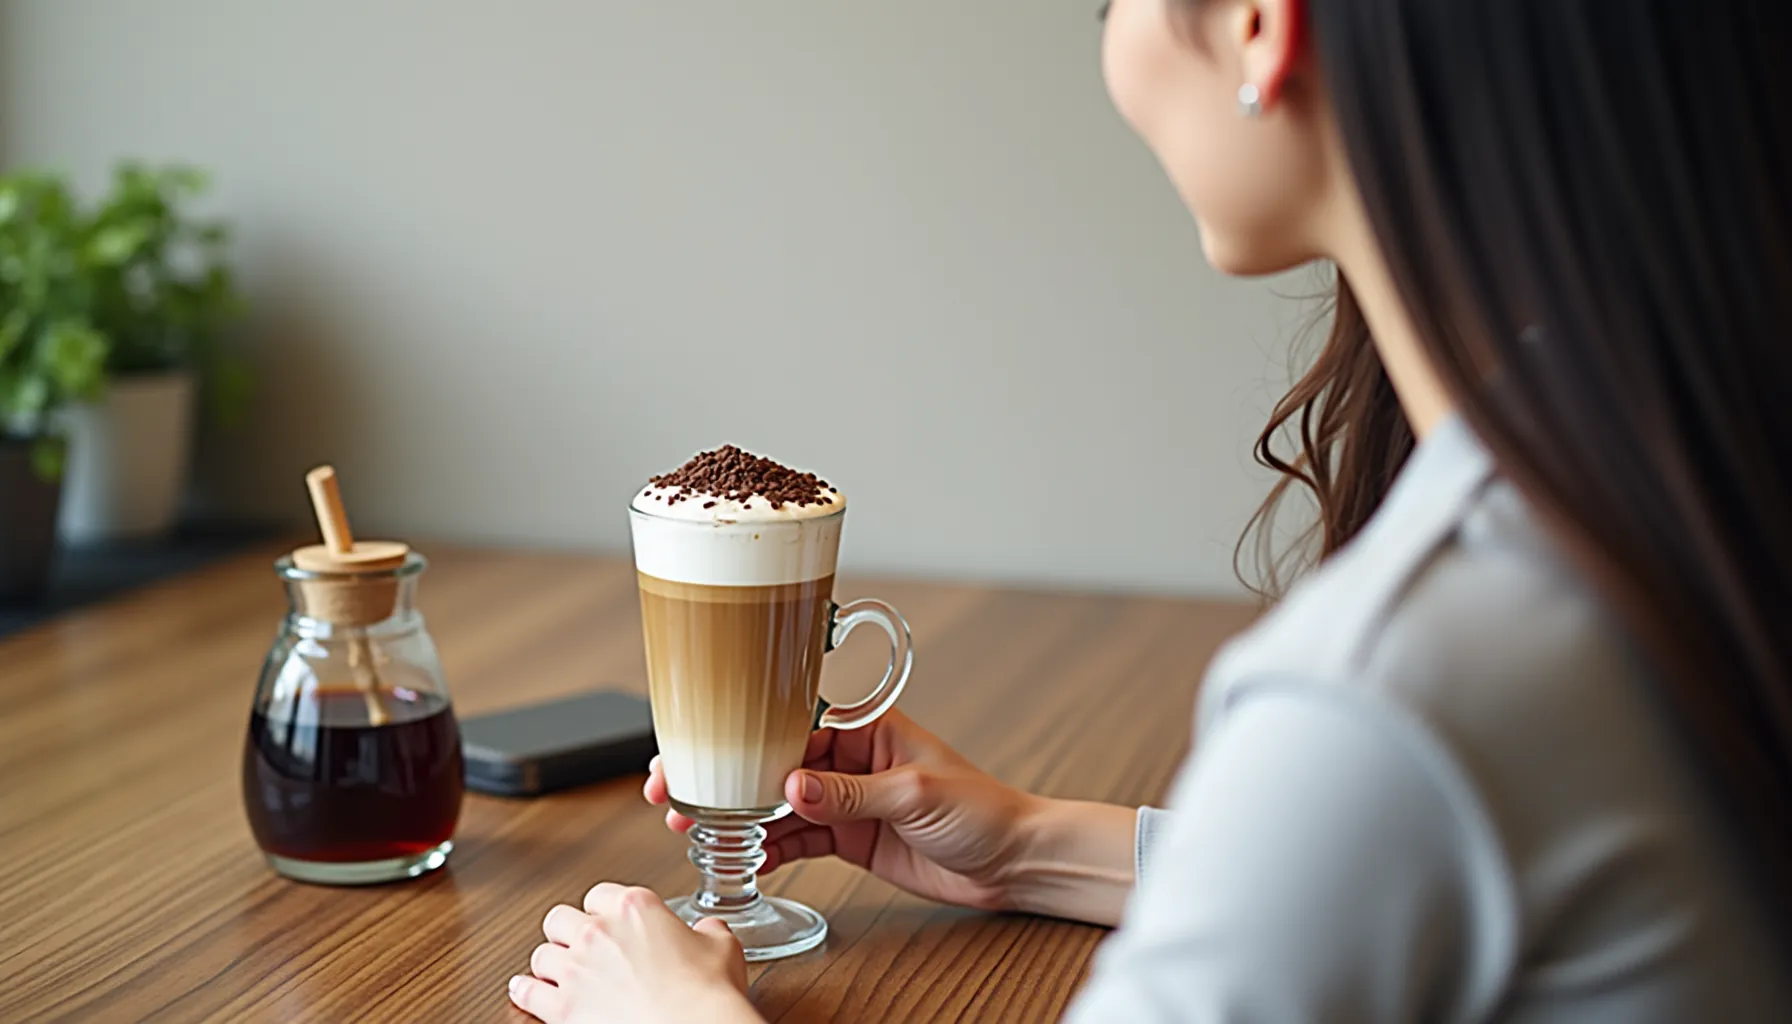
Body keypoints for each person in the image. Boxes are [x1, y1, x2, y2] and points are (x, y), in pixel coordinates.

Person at [508, 0, 1792, 1019]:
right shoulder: (1657, 480)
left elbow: (1395, 781)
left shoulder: (1391, 684)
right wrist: (1033, 847)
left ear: (1256, 23)